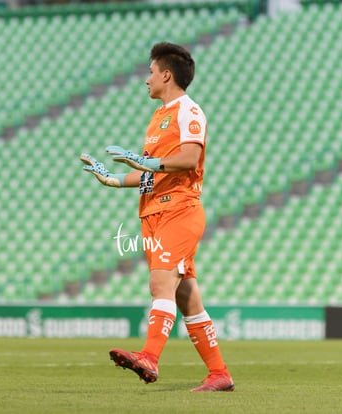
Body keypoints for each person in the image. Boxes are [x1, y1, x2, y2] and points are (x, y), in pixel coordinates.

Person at [80, 42, 234, 392]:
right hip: (154, 211)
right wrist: (114, 178)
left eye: (150, 71)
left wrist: (146, 162)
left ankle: (149, 356)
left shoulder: (189, 111)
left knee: (160, 284)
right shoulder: (158, 117)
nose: (146, 78)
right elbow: (152, 172)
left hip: (179, 208)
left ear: (166, 74)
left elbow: (189, 159)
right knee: (186, 296)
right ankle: (219, 374)